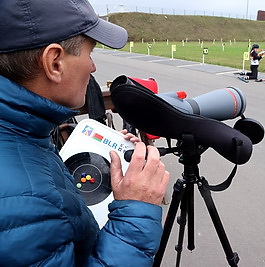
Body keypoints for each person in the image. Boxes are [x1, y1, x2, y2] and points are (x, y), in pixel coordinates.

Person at [0, 0, 170, 266]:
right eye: (90, 54)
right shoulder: (28, 208)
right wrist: (135, 212)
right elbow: (37, 203)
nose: (92, 68)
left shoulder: (22, 130)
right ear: (54, 63)